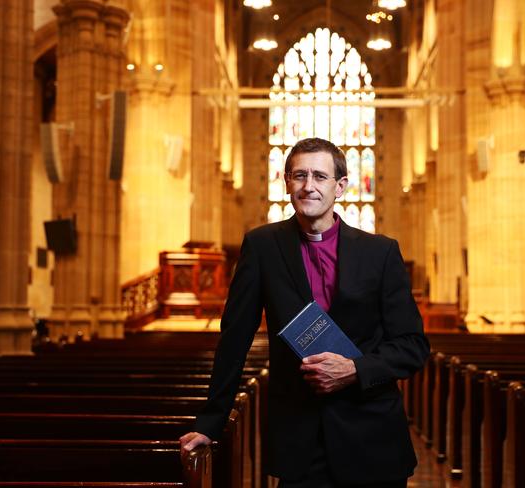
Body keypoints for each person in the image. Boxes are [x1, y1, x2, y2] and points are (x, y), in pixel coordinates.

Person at [180, 137, 430, 487]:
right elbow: (235, 339)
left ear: (340, 186)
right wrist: (209, 423)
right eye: (299, 176)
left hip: (371, 434)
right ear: (286, 183)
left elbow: (412, 346)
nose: (308, 186)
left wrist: (354, 369)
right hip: (300, 435)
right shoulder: (262, 246)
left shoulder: (381, 253)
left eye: (319, 176)